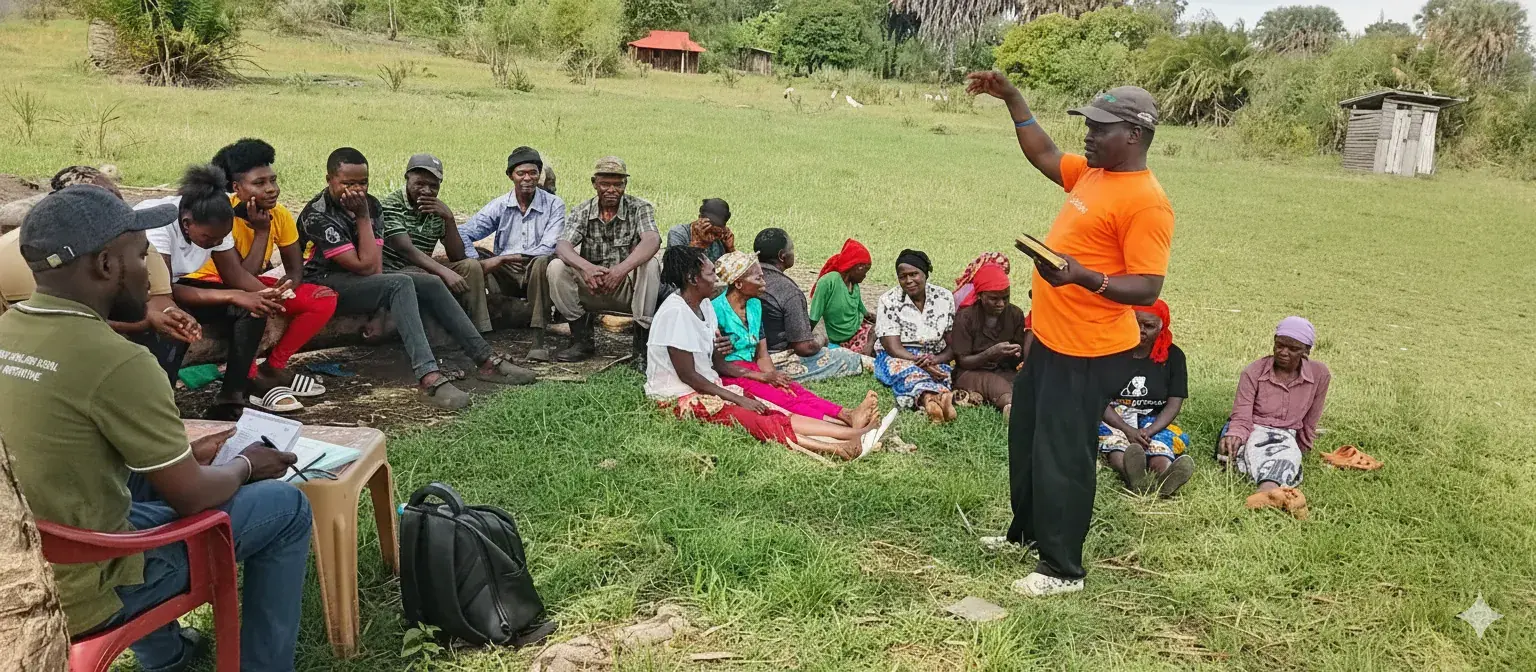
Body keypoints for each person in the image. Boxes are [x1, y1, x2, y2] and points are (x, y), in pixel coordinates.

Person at [0, 184, 312, 671]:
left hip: (20, 561)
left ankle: (169, 655)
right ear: (106, 265)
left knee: (143, 485)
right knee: (286, 507)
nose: (151, 273)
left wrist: (187, 460)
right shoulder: (118, 360)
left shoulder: (8, 330)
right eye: (142, 256)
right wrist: (248, 466)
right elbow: (192, 498)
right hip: (83, 586)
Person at [968, 72, 1175, 597]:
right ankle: (1026, 535)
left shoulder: (1146, 202)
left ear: (1134, 135)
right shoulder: (1094, 174)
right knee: (1028, 441)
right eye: (1088, 124)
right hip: (1050, 340)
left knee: (1063, 454)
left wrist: (1084, 277)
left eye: (1100, 128)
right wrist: (1013, 97)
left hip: (1087, 350)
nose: (1088, 134)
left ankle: (1062, 570)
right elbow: (1043, 154)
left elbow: (1147, 285)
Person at [298, 147, 536, 410]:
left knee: (431, 282)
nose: (356, 190)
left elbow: (374, 267)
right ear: (329, 179)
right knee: (401, 283)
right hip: (324, 282)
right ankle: (428, 376)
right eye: (347, 183)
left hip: (363, 277)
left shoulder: (372, 205)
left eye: (362, 183)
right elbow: (367, 268)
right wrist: (363, 217)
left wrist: (366, 215)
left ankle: (486, 360)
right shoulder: (319, 215)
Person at [645, 246, 890, 461]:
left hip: (709, 384)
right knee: (756, 418)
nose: (717, 280)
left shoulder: (705, 306)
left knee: (769, 408)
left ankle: (851, 434)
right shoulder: (676, 313)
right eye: (710, 274)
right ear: (692, 279)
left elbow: (717, 363)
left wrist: (755, 376)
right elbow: (688, 375)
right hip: (678, 395)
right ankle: (843, 444)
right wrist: (738, 398)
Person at [136, 165, 296, 418]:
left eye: (220, 240)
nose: (215, 244)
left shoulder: (216, 221)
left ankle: (231, 396)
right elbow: (164, 292)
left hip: (174, 287)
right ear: (186, 224)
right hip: (143, 294)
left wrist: (267, 293)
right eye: (209, 240)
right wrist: (234, 295)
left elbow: (235, 275)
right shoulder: (160, 223)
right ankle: (161, 405)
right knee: (176, 325)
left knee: (253, 311)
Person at [0, 166, 197, 348]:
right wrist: (147, 321)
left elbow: (160, 298)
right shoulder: (15, 260)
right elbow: (67, 321)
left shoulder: (135, 245)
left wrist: (168, 313)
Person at [206, 138, 337, 399]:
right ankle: (249, 377)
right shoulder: (223, 215)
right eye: (259, 183)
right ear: (236, 188)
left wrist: (286, 289)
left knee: (324, 299)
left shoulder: (280, 214)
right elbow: (239, 276)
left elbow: (295, 269)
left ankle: (274, 366)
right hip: (216, 284)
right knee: (253, 309)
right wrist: (262, 232)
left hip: (251, 284)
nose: (271, 189)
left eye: (273, 180)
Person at [710, 250, 880, 427]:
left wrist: (774, 377)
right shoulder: (715, 310)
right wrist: (764, 377)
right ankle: (841, 426)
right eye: (758, 278)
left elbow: (762, 353)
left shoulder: (755, 304)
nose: (764, 282)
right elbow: (719, 364)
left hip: (752, 368)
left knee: (793, 389)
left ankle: (846, 414)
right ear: (738, 284)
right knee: (782, 400)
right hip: (732, 374)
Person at [548, 156, 661, 367]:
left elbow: (652, 239)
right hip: (592, 285)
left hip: (626, 288)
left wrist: (621, 270)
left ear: (625, 184)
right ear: (594, 184)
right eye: (605, 184)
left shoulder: (639, 208)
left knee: (651, 264)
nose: (611, 190)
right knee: (556, 267)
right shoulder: (582, 210)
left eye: (618, 184)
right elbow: (562, 246)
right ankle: (582, 339)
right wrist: (587, 268)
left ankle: (640, 348)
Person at [456, 147, 565, 359]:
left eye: (533, 173)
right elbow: (463, 232)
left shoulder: (554, 205)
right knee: (475, 257)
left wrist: (511, 258)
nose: (527, 179)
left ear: (539, 175)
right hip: (505, 272)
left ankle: (538, 340)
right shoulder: (501, 204)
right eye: (521, 173)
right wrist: (480, 261)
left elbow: (549, 245)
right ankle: (482, 332)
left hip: (536, 268)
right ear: (510, 176)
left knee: (543, 261)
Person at [1218, 316, 1330, 519]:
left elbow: (1311, 420)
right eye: (1279, 345)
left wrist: (1303, 448)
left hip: (1287, 433)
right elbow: (1242, 416)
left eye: (1293, 349)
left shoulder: (1319, 375)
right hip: (1253, 426)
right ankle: (1272, 491)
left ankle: (1268, 492)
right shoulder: (1253, 372)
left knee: (1287, 452)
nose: (1283, 352)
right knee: (1246, 448)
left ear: (1306, 351)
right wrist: (1235, 434)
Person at [380, 153, 495, 332]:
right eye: (419, 184)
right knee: (423, 274)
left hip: (424, 270)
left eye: (433, 186)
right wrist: (444, 272)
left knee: (471, 266)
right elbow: (405, 249)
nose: (426, 191)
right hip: (393, 272)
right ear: (407, 178)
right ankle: (438, 334)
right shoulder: (391, 205)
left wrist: (449, 219)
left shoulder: (436, 209)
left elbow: (457, 256)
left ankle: (477, 331)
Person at [1097, 299, 1194, 497]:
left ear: (1161, 327)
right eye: (1135, 323)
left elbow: (1174, 403)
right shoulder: (1109, 352)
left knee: (1160, 445)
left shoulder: (1174, 357)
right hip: (1114, 417)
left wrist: (1149, 431)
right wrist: (1127, 430)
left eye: (1149, 326)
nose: (1141, 330)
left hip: (1153, 420)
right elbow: (1099, 400)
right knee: (1115, 444)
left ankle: (1166, 476)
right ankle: (1133, 476)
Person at [752, 228, 868, 382]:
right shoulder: (788, 291)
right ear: (782, 256)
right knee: (846, 357)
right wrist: (820, 339)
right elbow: (804, 348)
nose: (793, 253)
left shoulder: (745, 278)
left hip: (746, 353)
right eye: (792, 249)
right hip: (774, 359)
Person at [873, 249, 957, 422]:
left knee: (944, 373)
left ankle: (935, 400)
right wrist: (920, 362)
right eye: (903, 276)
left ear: (925, 273)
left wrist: (936, 359)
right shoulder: (889, 300)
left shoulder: (944, 297)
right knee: (907, 371)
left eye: (914, 274)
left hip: (933, 354)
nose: (909, 280)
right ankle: (930, 399)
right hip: (899, 354)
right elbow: (893, 347)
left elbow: (952, 341)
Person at [950, 261, 1029, 415]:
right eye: (994, 299)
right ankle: (1011, 407)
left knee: (1025, 382)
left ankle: (1013, 401)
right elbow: (963, 361)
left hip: (1003, 370)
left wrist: (1016, 353)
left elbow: (1016, 360)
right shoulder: (965, 318)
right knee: (997, 385)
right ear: (980, 296)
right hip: (970, 372)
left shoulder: (1015, 314)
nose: (1001, 304)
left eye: (1006, 298)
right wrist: (990, 353)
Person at [809, 238, 876, 356]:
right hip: (840, 338)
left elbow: (859, 306)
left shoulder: (854, 285)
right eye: (865, 271)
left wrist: (870, 316)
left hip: (858, 330)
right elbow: (814, 315)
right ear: (857, 267)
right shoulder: (828, 282)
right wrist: (805, 338)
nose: (865, 276)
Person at [665, 198, 735, 262]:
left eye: (719, 226)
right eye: (709, 225)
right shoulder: (678, 233)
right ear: (700, 218)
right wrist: (700, 243)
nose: (713, 231)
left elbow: (730, 267)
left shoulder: (722, 237)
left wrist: (730, 251)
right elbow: (677, 266)